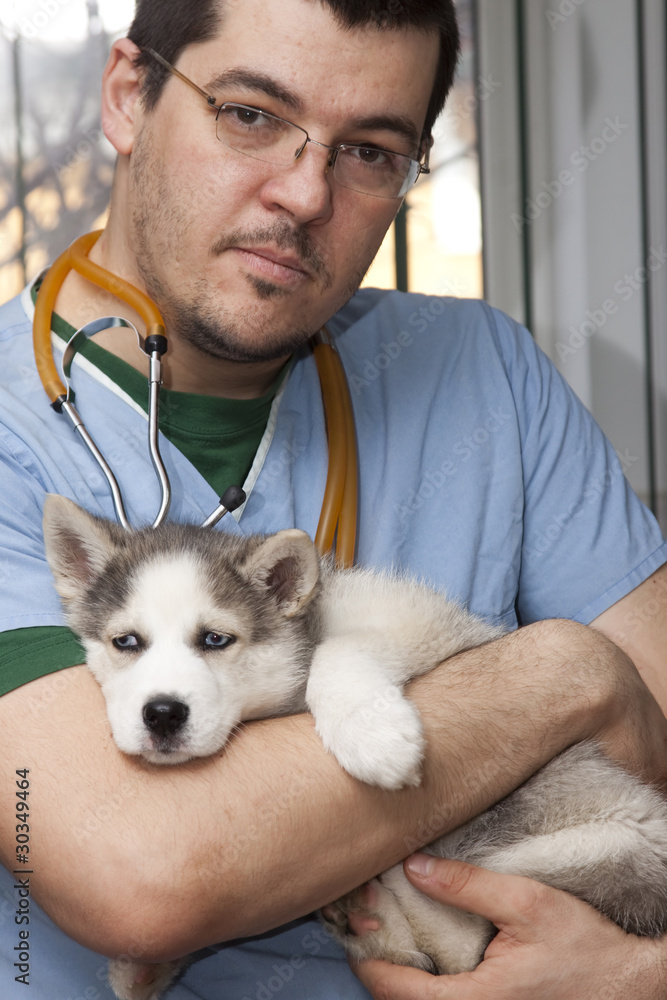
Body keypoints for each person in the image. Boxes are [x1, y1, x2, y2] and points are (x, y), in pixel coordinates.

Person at [0, 1, 666, 998]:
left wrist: (644, 974)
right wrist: (568, 675)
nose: (306, 193)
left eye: (368, 150)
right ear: (128, 94)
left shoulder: (485, 371)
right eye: (250, 115)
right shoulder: (18, 432)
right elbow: (138, 882)